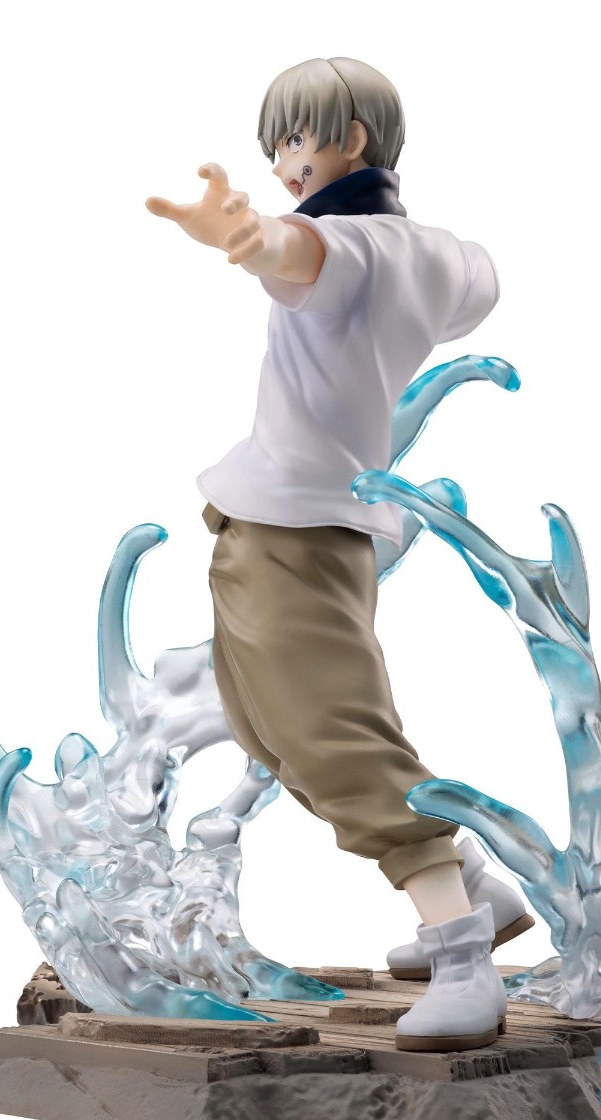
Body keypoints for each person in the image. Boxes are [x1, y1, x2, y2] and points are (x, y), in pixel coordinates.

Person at [146, 58, 524, 1050]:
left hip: (296, 531)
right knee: (269, 728)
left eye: (297, 140)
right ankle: (477, 891)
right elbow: (473, 285)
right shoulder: (436, 254)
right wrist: (270, 242)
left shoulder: (343, 244)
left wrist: (250, 240)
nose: (282, 164)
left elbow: (302, 255)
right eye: (274, 144)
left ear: (352, 140)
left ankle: (461, 956)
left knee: (336, 742)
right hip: (314, 522)